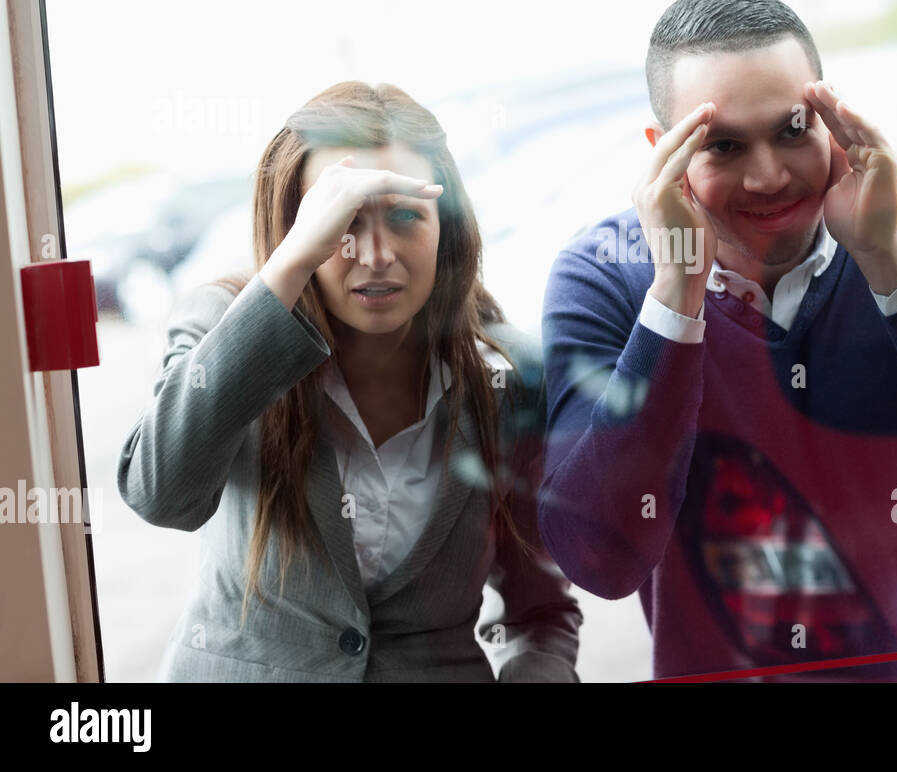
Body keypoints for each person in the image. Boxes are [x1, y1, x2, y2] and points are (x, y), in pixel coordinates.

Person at [538, 0, 897, 681]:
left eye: (793, 129)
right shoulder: (605, 278)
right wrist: (676, 297)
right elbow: (599, 558)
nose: (768, 176)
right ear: (664, 157)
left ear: (832, 114)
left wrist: (889, 261)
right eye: (724, 147)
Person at [119, 81, 581, 682]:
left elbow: (538, 609)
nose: (377, 253)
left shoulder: (507, 373)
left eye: (405, 215)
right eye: (342, 220)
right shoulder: (223, 328)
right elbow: (162, 496)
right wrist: (287, 268)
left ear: (447, 228)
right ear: (296, 226)